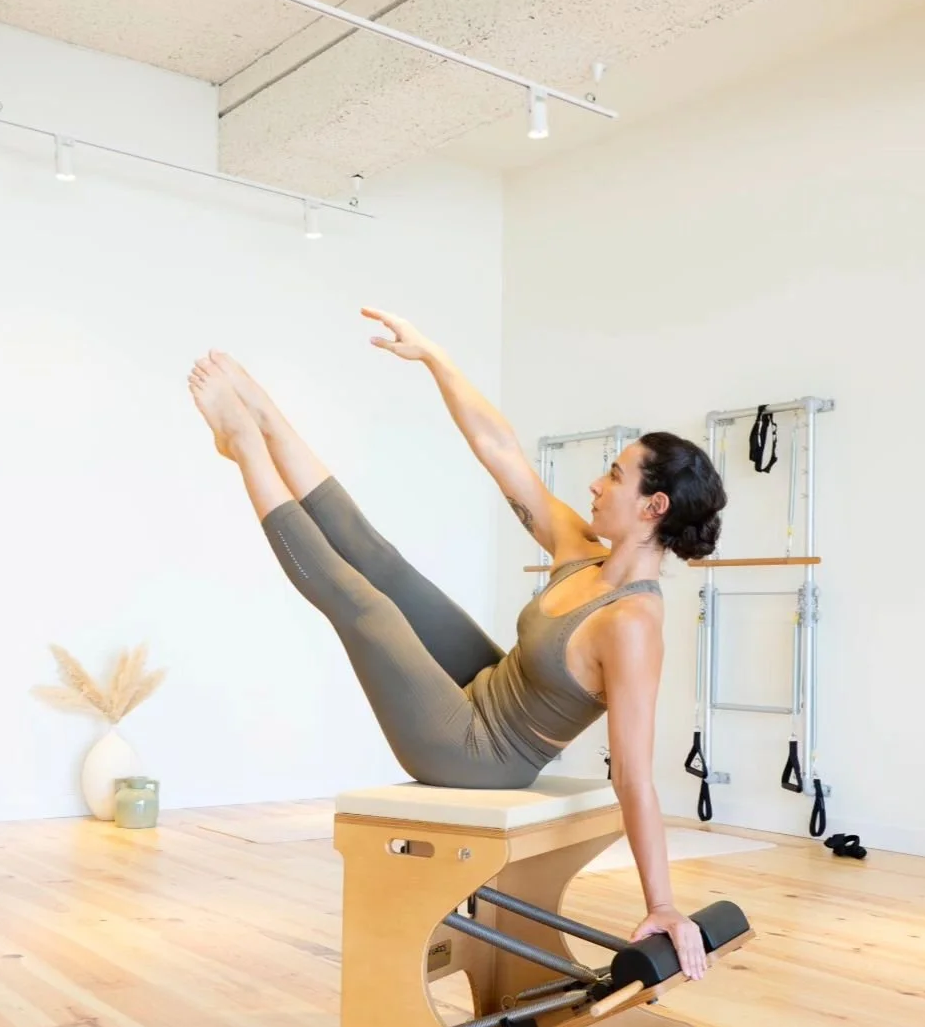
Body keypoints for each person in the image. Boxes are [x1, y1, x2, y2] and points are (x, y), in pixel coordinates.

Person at [187, 308, 727, 980]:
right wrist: (436, 357)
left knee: (366, 608)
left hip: (478, 754)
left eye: (614, 475)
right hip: (485, 690)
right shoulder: (580, 551)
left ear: (654, 508)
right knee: (381, 563)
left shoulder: (633, 627)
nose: (595, 483)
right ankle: (265, 416)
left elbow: (636, 778)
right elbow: (500, 450)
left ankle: (243, 444)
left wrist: (663, 903)